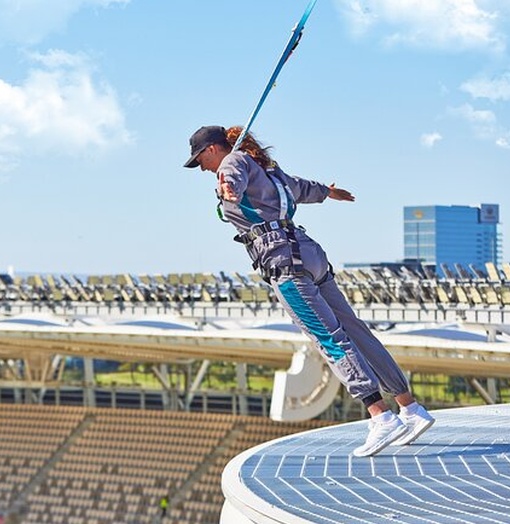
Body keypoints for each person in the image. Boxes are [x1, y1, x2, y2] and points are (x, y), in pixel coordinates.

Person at [184, 125, 435, 457]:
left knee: (329, 337)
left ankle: (380, 415)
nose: (202, 168)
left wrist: (229, 188)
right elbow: (303, 188)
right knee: (356, 332)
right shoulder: (267, 169)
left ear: (212, 149)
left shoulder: (232, 164)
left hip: (283, 262)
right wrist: (330, 193)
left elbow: (233, 180)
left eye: (200, 160)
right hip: (309, 254)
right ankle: (410, 409)